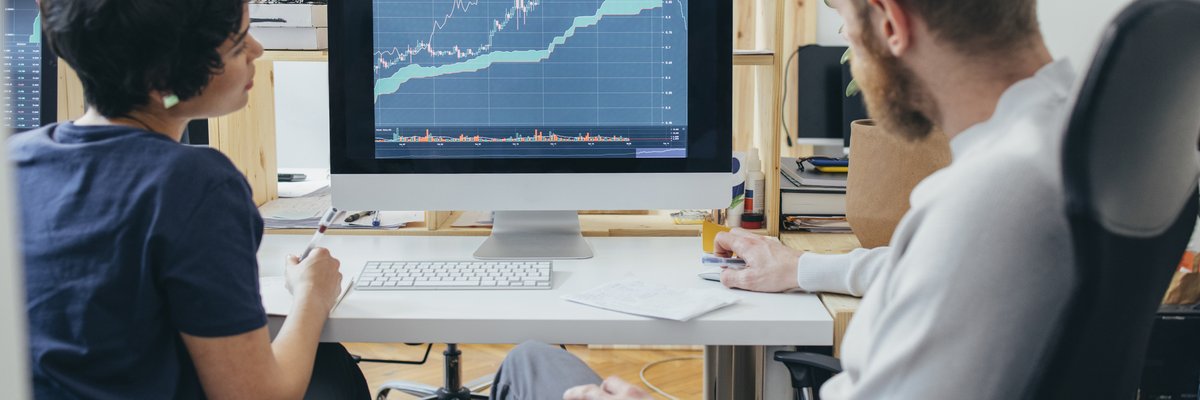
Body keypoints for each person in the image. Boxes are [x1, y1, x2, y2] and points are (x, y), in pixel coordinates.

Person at [495, 0, 1079, 398]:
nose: (847, 40)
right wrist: (804, 268)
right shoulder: (1066, 147)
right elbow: (938, 268)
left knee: (528, 362)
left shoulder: (984, 204)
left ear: (890, 22)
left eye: (843, 17)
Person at [8, 0, 369, 398]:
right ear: (167, 77)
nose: (257, 50)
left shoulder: (16, 160)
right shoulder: (194, 185)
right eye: (237, 44)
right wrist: (312, 296)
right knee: (332, 374)